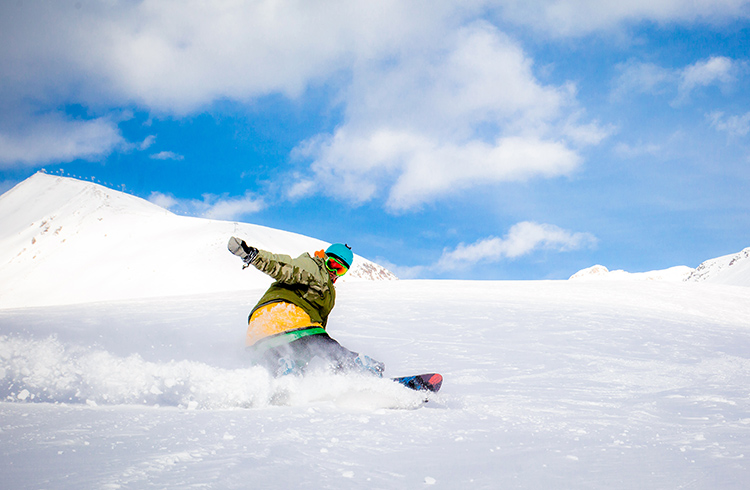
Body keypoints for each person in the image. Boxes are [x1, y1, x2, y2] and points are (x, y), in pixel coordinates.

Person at [227, 237, 385, 378]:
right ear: (324, 258)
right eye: (332, 264)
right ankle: (362, 372)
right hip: (284, 318)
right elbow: (285, 267)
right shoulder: (314, 267)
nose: (334, 272)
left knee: (299, 357)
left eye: (340, 270)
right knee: (330, 350)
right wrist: (254, 256)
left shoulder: (327, 288)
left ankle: (287, 378)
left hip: (259, 334)